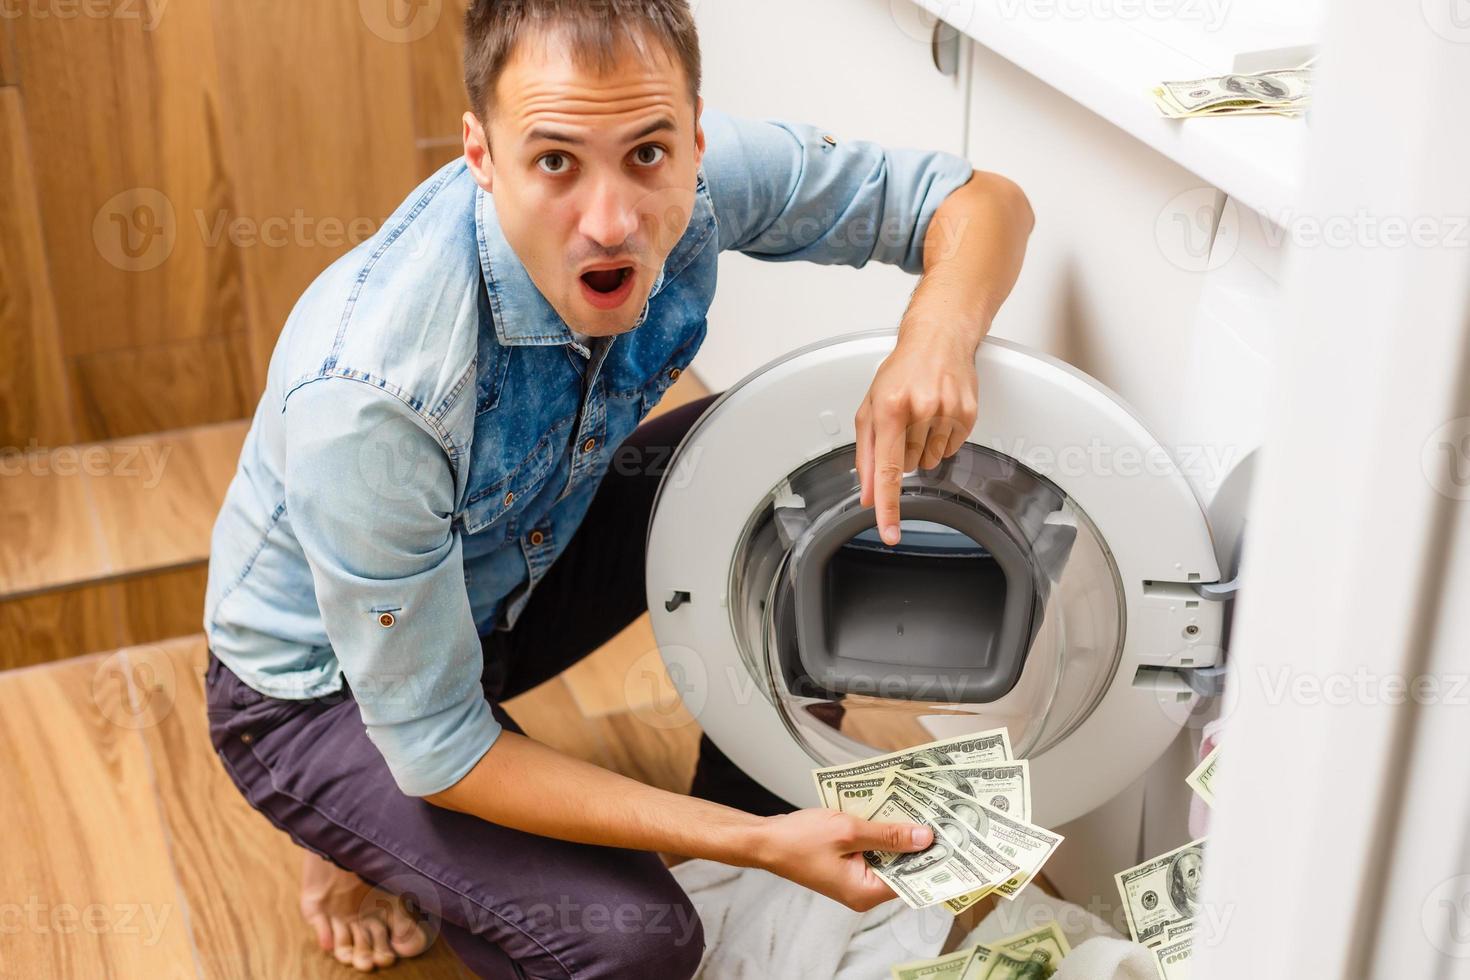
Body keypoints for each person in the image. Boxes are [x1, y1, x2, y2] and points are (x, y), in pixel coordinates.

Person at [202, 0, 1033, 975]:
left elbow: (982, 201)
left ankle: (754, 798)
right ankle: (343, 820)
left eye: (648, 153)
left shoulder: (704, 179)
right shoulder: (374, 394)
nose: (612, 221)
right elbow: (440, 748)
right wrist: (758, 850)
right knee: (641, 943)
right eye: (555, 161)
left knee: (786, 446)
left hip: (510, 574)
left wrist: (934, 337)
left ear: (694, 135)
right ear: (481, 155)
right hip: (318, 688)